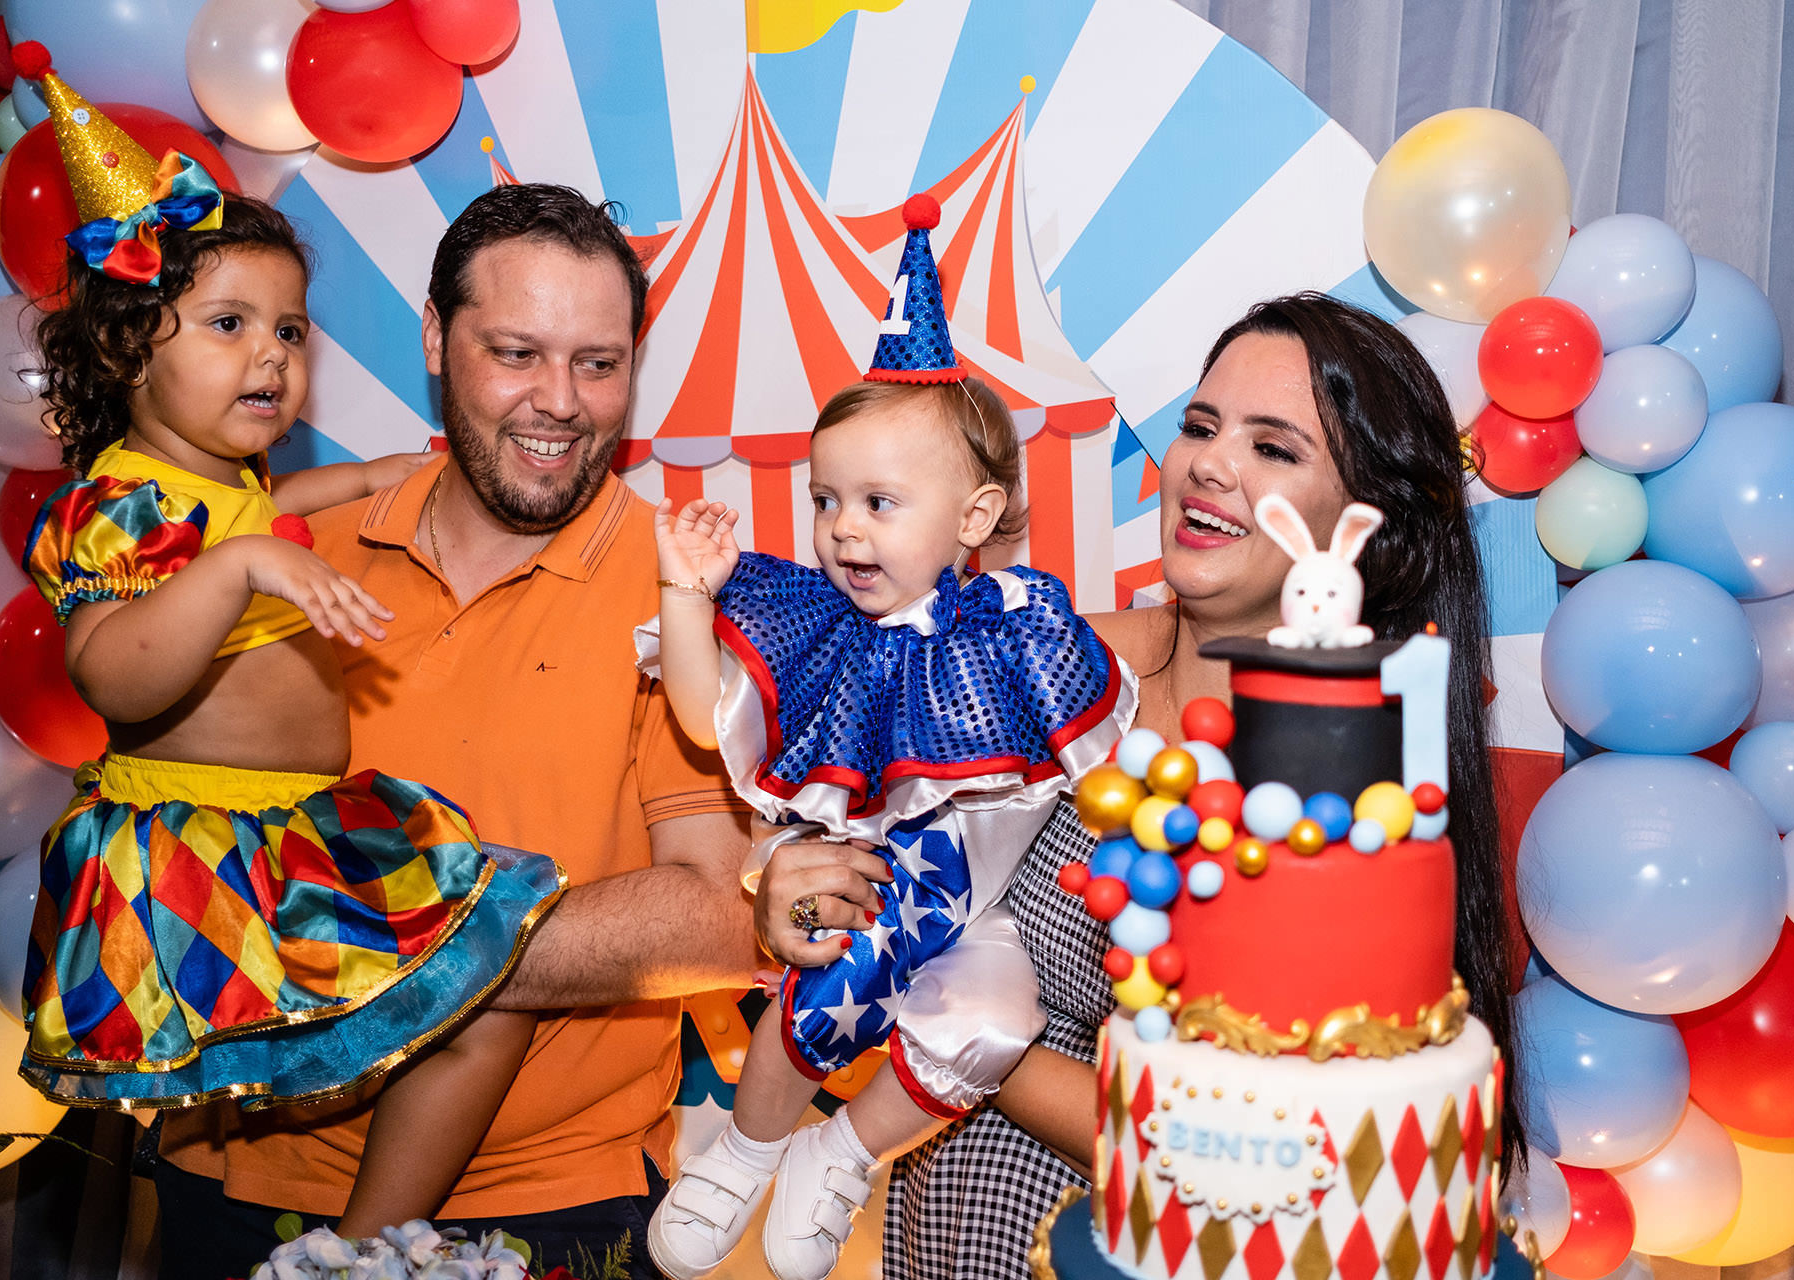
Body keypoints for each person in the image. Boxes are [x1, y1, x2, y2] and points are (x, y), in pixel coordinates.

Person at [753, 292, 1524, 1279]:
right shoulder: (1049, 667)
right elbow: (851, 803)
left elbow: (1252, 1148)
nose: (1209, 460)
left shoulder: (1348, 798)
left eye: (1274, 448)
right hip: (956, 1221)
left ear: (1366, 527)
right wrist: (777, 869)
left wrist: (956, 1027)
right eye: (1201, 425)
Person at [152, 182, 758, 1280]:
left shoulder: (679, 591)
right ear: (435, 336)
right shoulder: (296, 556)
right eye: (517, 352)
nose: (561, 402)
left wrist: (402, 960)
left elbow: (718, 911)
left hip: (548, 1204)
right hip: (225, 1172)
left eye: (599, 362)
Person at [18, 89, 567, 1245]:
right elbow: (115, 676)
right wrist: (242, 568)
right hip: (186, 862)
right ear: (127, 345)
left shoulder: (229, 489)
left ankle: (354, 1247)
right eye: (228, 324)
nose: (270, 353)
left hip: (291, 833)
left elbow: (277, 506)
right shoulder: (121, 501)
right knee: (125, 1140)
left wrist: (383, 477)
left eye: (288, 329)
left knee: (487, 970)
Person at [640, 195, 1135, 1280]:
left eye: (877, 499)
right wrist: (687, 595)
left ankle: (841, 1152)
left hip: (975, 913)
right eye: (826, 499)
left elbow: (1106, 738)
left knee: (1000, 1022)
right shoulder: (817, 624)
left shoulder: (1019, 619)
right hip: (871, 882)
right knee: (829, 971)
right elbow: (697, 712)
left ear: (973, 515)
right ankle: (745, 1147)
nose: (843, 528)